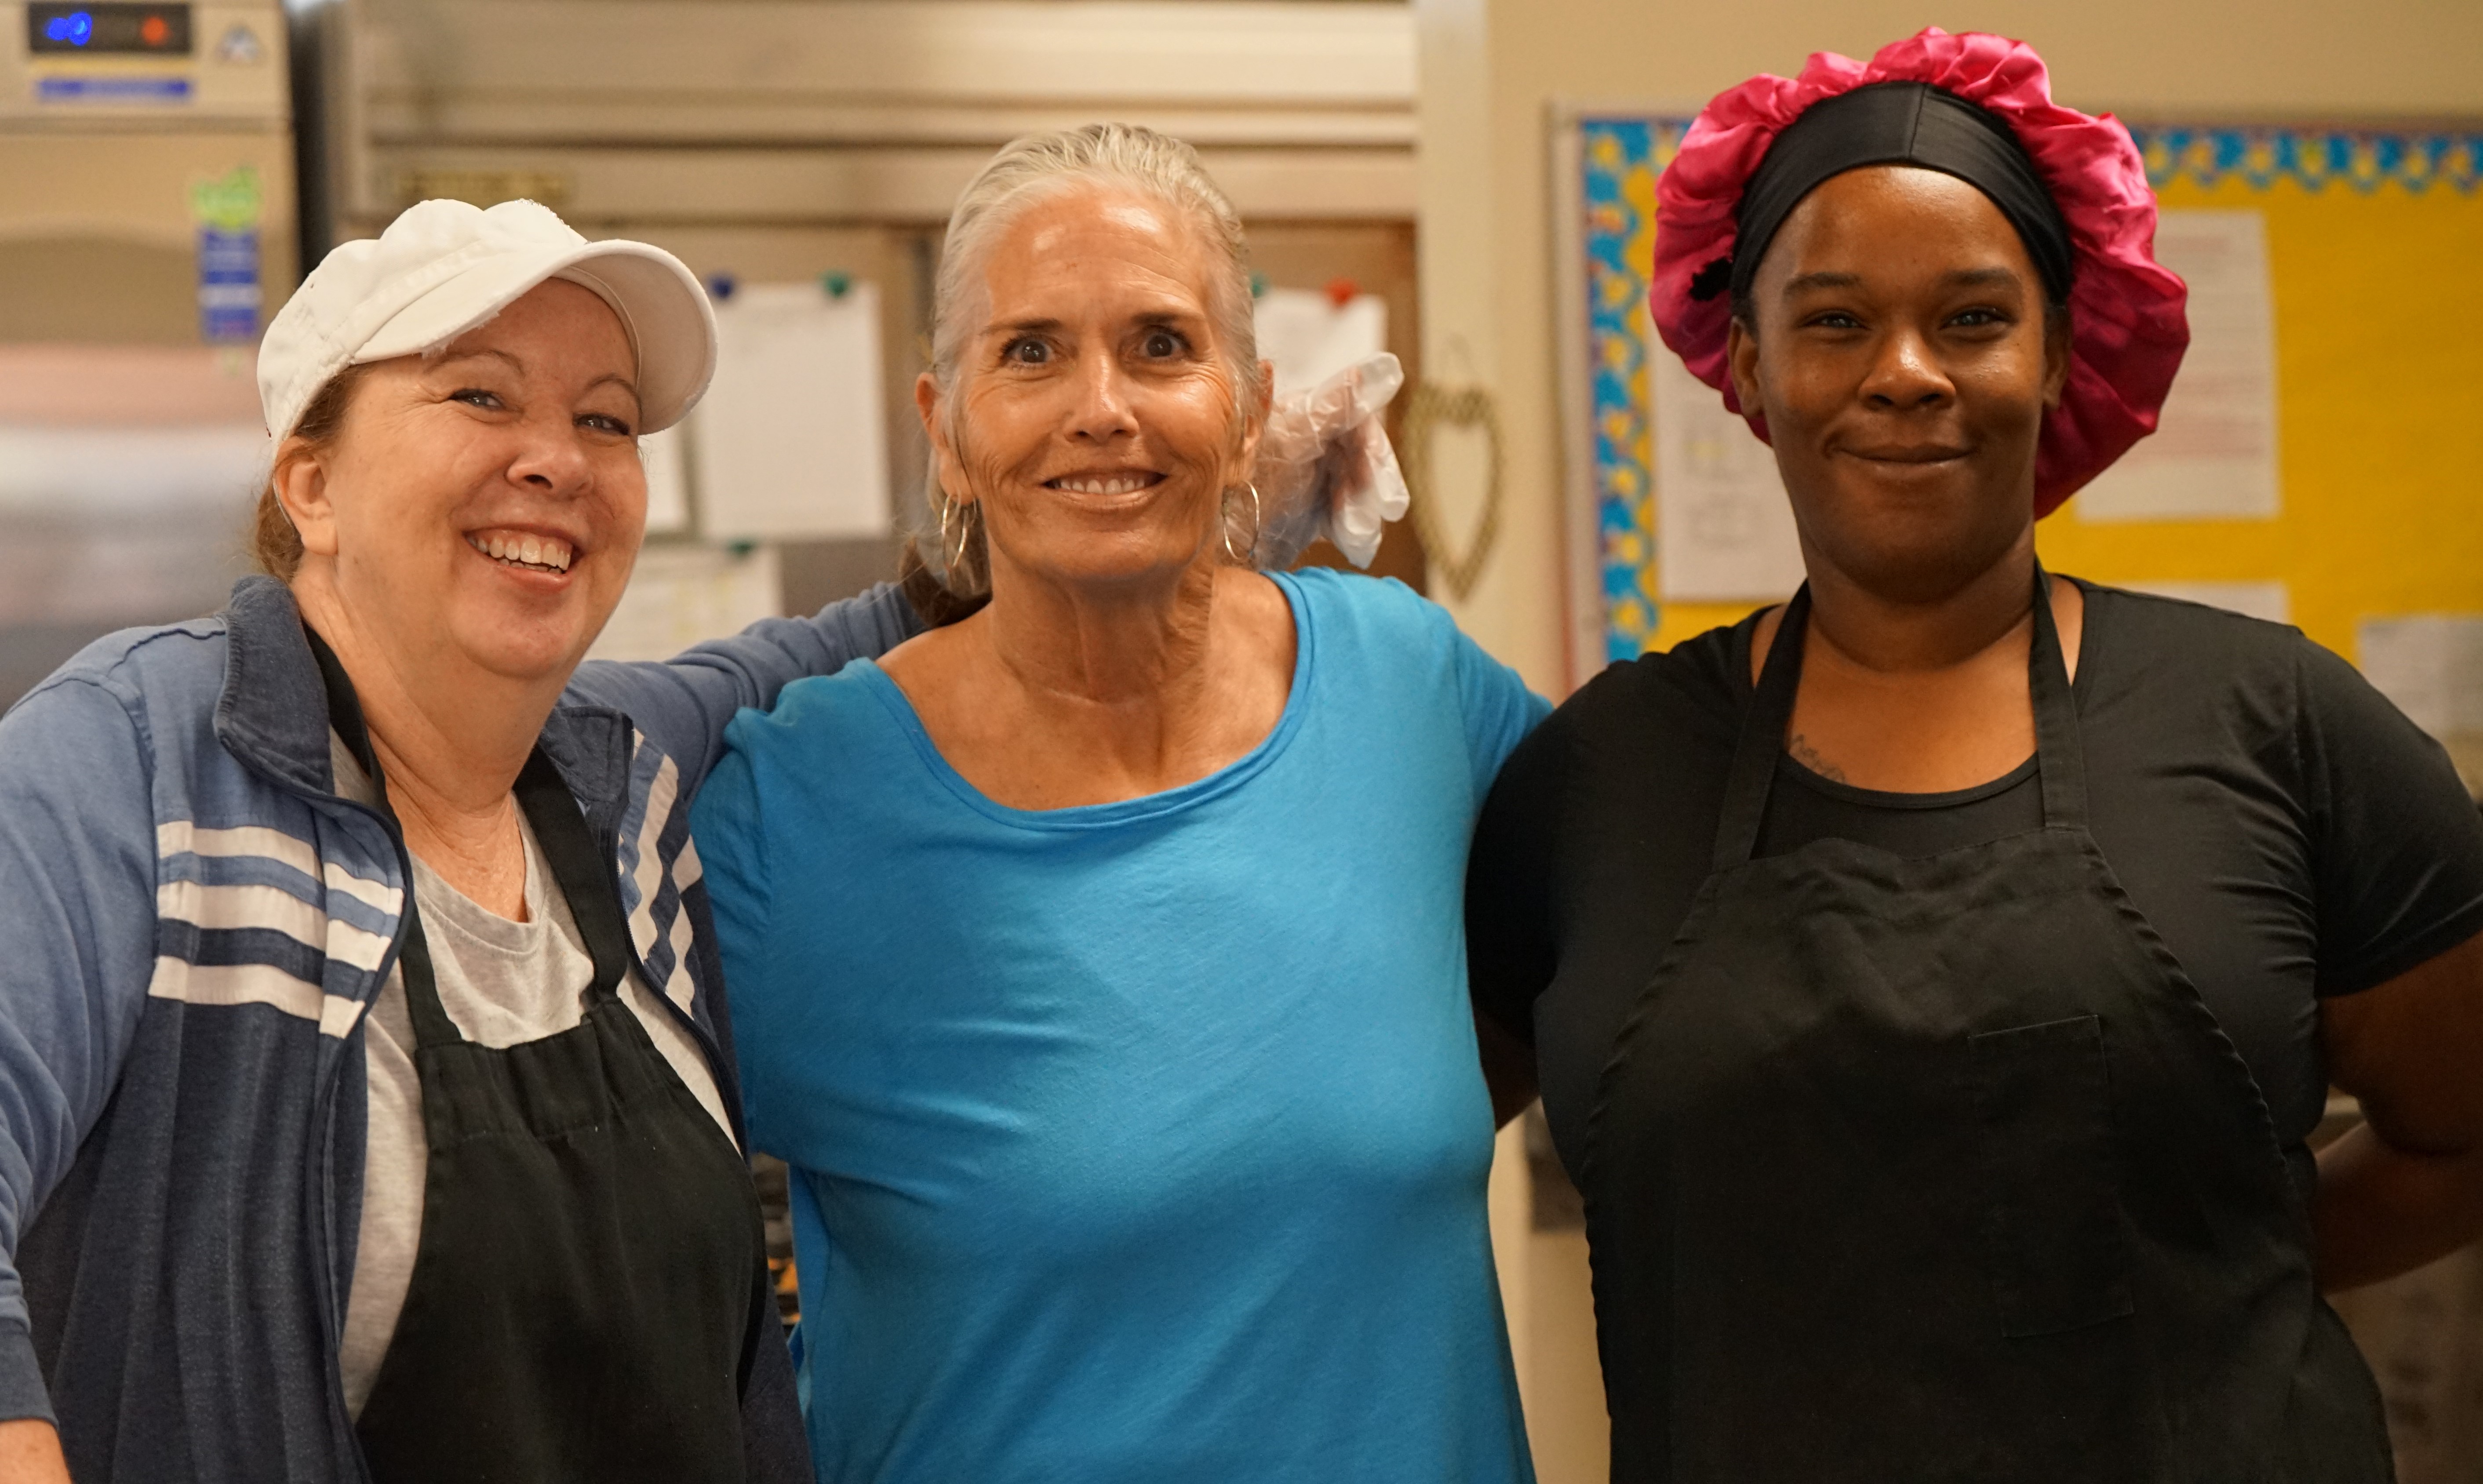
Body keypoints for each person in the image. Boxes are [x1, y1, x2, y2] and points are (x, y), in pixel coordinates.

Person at [0, 195, 1399, 1483]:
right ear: (310, 481)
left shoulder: (625, 778)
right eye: (479, 396)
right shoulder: (137, 763)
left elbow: (881, 637)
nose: (555, 460)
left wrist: (1182, 481)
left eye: (606, 422)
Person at [1466, 29, 2483, 1482]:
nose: (1905, 375)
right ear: (1746, 364)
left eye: (1970, 319)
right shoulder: (1599, 780)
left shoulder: (2277, 725)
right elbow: (1382, 1140)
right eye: (1832, 322)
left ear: (2060, 351)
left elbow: (2462, 1134)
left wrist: (2208, 1268)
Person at [690, 123, 1546, 1484]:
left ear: (1252, 407)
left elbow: (1609, 980)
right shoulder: (796, 810)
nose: (1103, 405)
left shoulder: (1413, 693)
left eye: (1161, 346)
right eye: (1029, 351)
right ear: (947, 431)